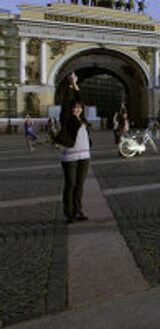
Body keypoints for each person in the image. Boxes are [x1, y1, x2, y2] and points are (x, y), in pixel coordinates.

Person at [55, 72, 91, 223]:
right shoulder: (66, 118)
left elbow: (79, 100)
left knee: (80, 185)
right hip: (69, 155)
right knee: (70, 185)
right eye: (74, 108)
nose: (77, 109)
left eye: (79, 108)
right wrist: (70, 85)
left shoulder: (82, 119)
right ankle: (69, 214)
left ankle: (78, 210)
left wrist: (76, 85)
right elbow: (67, 102)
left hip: (84, 156)